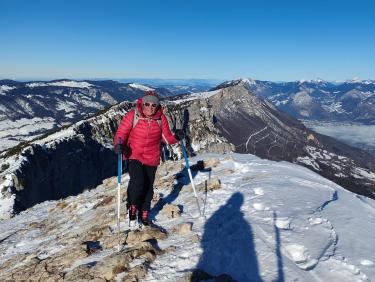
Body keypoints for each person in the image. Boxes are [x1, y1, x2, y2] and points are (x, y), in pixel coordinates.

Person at [114, 90, 184, 226]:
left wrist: (176, 137)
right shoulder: (132, 115)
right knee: (138, 182)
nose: (150, 107)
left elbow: (166, 138)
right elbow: (121, 133)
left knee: (149, 186)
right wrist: (118, 145)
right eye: (147, 104)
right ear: (142, 103)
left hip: (152, 156)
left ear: (157, 106)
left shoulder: (160, 118)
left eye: (154, 105)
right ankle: (133, 206)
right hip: (133, 154)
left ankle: (145, 210)